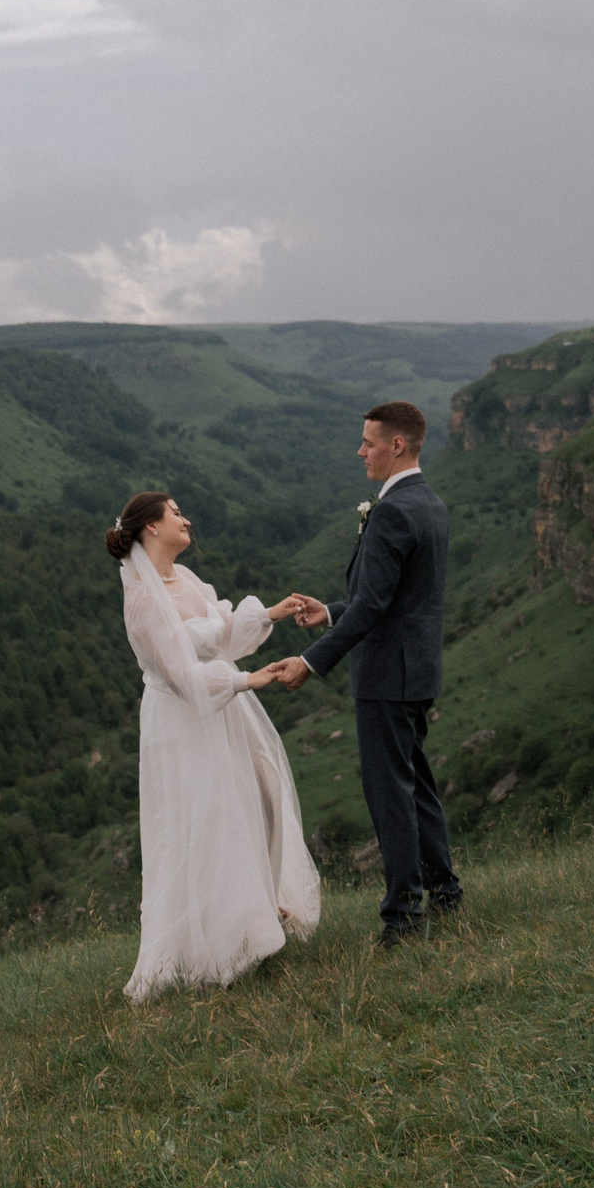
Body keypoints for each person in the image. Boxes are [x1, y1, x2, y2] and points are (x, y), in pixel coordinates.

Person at [108, 491, 325, 1001]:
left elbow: (221, 636)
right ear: (151, 527)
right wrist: (249, 680)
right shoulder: (142, 602)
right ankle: (216, 943)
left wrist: (270, 613)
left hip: (225, 708)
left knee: (259, 794)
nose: (186, 520)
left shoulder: (184, 578)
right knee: (205, 816)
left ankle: (254, 910)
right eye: (175, 513)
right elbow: (182, 677)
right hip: (182, 721)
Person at [264, 401, 462, 947]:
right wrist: (330, 612)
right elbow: (392, 598)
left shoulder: (393, 511)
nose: (360, 452)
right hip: (416, 670)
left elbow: (374, 606)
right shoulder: (430, 502)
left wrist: (310, 660)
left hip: (386, 676)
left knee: (389, 794)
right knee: (416, 785)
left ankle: (403, 918)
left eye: (369, 443)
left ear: (397, 444)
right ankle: (446, 893)